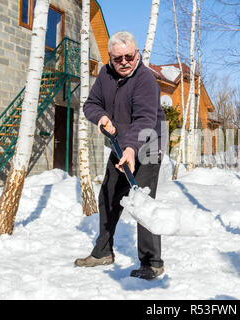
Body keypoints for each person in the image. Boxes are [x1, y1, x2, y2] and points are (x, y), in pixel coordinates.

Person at [75, 31, 167, 280]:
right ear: (110, 58)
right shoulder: (105, 75)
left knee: (142, 203)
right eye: (118, 58)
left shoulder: (145, 80)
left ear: (136, 53)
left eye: (129, 56)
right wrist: (102, 117)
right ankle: (103, 251)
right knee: (108, 196)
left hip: (146, 147)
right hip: (120, 145)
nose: (124, 61)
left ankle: (152, 262)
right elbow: (90, 104)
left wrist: (130, 149)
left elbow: (145, 120)